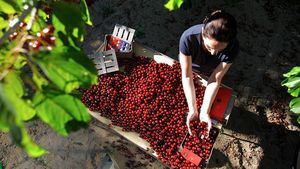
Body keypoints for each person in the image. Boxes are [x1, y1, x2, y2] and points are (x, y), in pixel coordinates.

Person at [179, 10, 239, 136]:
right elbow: (187, 75)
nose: (213, 53)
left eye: (220, 49)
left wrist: (204, 112)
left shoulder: (233, 47)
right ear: (202, 33)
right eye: (209, 47)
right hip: (192, 67)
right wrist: (193, 109)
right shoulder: (188, 38)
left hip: (211, 70)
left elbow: (215, 79)